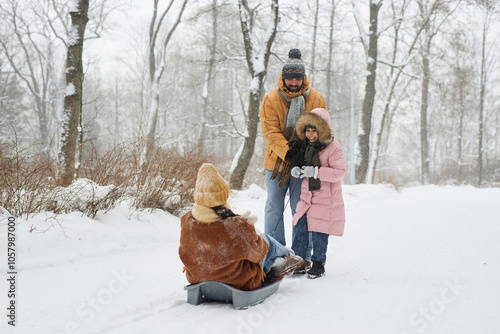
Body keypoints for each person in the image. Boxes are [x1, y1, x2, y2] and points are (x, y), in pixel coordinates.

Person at [178, 163, 304, 291]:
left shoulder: (186, 220)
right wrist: (248, 229)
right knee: (264, 240)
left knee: (251, 244)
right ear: (223, 195)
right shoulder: (236, 225)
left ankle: (282, 257)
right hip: (238, 281)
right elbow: (259, 254)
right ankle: (284, 257)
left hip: (198, 278)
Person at [260, 48, 327, 264]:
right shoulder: (270, 99)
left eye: (297, 79)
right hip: (277, 162)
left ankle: (301, 254)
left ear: (303, 77)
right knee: (273, 207)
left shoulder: (315, 98)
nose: (294, 83)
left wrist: (306, 151)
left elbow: (321, 128)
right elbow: (270, 131)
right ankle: (276, 252)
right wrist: (289, 152)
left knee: (301, 206)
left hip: (304, 163)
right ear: (283, 77)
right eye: (289, 78)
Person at [289, 108, 346, 279]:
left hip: (325, 197)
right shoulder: (306, 147)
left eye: (314, 130)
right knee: (300, 225)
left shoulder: (334, 147)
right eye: (307, 130)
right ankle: (299, 262)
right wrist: (297, 170)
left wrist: (315, 172)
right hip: (308, 196)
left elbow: (339, 172)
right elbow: (301, 165)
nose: (311, 134)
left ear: (323, 129)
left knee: (320, 230)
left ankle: (318, 263)